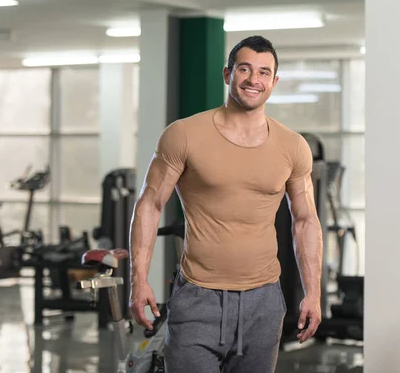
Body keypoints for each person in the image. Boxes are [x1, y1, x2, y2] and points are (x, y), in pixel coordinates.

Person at [128, 35, 323, 373]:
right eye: (244, 69)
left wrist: (314, 292)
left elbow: (305, 220)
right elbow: (149, 204)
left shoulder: (293, 146)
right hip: (198, 297)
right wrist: (139, 278)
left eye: (264, 72)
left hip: (264, 302)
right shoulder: (184, 134)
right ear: (227, 74)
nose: (253, 79)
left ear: (274, 82)